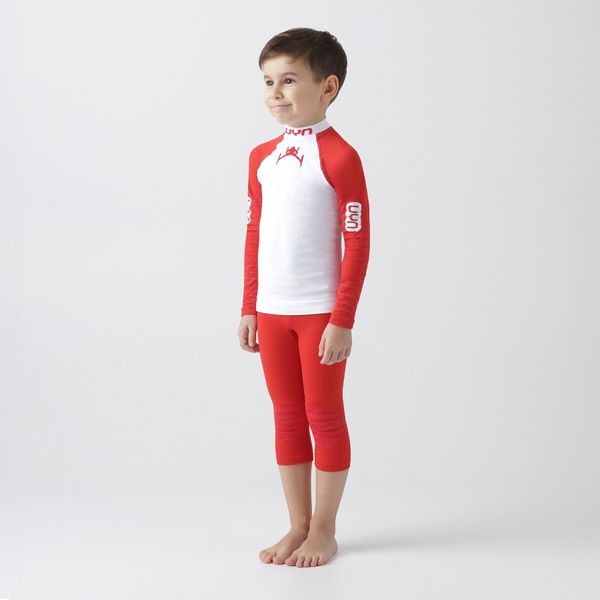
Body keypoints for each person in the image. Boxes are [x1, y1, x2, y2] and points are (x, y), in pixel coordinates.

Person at [237, 27, 371, 568]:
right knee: (287, 417)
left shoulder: (340, 157)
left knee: (324, 414)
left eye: (289, 80)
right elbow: (254, 233)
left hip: (318, 314)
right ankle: (297, 525)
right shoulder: (261, 157)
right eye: (268, 81)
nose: (275, 92)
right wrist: (249, 306)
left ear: (328, 87)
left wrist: (342, 318)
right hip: (272, 313)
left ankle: (324, 530)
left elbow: (358, 242)